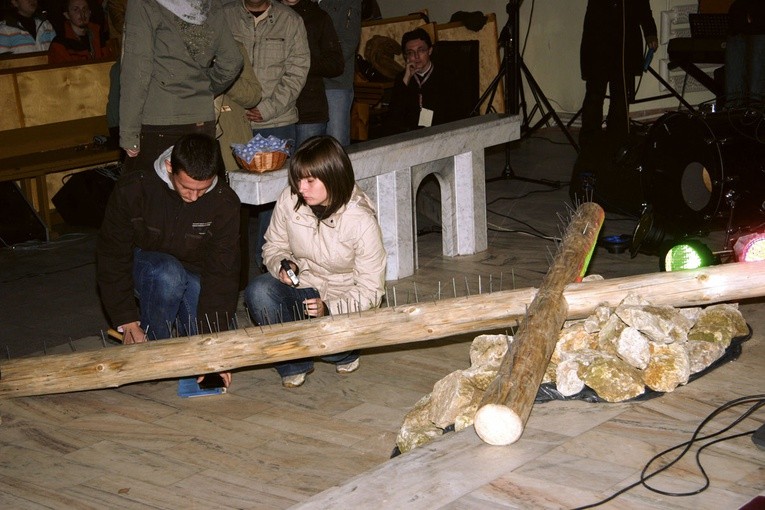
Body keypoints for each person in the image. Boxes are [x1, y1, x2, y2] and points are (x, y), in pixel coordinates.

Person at [97, 133, 241, 386]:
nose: (194, 197)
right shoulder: (135, 189)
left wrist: (214, 347)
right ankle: (154, 351)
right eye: (186, 187)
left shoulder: (224, 201)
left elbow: (223, 272)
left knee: (201, 348)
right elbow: (112, 255)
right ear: (169, 167)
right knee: (168, 274)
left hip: (194, 273)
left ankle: (183, 348)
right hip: (146, 266)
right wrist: (126, 320)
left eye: (202, 189)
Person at [244, 135, 386, 388]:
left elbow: (371, 289)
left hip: (342, 300)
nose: (301, 188)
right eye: (298, 179)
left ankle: (343, 351)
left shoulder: (361, 220)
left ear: (332, 176)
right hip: (303, 288)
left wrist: (329, 309)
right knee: (259, 290)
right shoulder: (290, 200)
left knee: (331, 353)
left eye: (310, 180)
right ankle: (293, 362)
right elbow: (273, 246)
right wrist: (284, 265)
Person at [224, 0, 309, 270]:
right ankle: (230, 271)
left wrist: (267, 108)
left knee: (276, 202)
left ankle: (270, 267)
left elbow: (297, 72)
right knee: (229, 198)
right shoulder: (225, 17)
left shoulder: (290, 20)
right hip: (233, 120)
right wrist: (238, 103)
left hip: (277, 121)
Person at [119, 0, 243, 174]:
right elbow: (232, 61)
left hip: (159, 120)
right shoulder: (209, 4)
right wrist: (203, 89)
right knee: (198, 194)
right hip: (202, 120)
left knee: (143, 196)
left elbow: (136, 70)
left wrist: (128, 133)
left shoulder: (145, 3)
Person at [579, 0, 658, 149]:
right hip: (598, 42)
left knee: (621, 95)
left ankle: (617, 140)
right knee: (595, 94)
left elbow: (643, 7)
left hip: (625, 44)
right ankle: (589, 142)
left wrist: (650, 32)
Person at [383, 28, 470, 136]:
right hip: (412, 138)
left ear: (430, 51)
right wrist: (406, 80)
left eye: (421, 50)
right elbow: (393, 119)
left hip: (442, 135)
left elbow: (457, 115)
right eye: (410, 52)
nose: (416, 56)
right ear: (406, 57)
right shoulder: (402, 79)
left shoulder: (447, 75)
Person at [282, 0, 344, 148]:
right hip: (276, 109)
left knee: (309, 166)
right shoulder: (269, 14)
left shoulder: (318, 17)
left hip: (309, 108)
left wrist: (301, 62)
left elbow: (335, 64)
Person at [318, 0, 361, 147]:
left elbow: (349, 41)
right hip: (307, 84)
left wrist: (318, 65)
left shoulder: (347, 3)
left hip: (336, 83)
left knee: (336, 143)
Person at [724, 0, 765, 108]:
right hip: (739, 23)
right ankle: (733, 110)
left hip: (760, 25)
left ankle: (755, 108)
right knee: (734, 74)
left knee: (755, 88)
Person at [47, 0, 111, 63]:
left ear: (90, 12)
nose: (82, 13)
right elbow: (62, 71)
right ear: (67, 15)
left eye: (85, 8)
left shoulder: (97, 35)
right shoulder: (60, 43)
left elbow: (107, 61)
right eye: (76, 9)